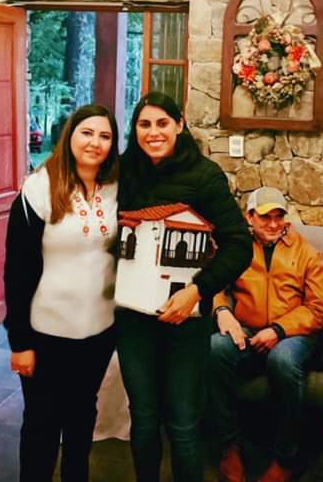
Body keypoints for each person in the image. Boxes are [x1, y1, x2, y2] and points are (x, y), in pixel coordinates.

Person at [116, 91, 252, 482]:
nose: (153, 132)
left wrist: (198, 291)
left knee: (183, 422)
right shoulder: (122, 172)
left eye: (162, 123)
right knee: (143, 418)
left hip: (187, 323)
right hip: (132, 319)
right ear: (135, 129)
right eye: (144, 124)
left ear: (179, 124)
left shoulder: (205, 175)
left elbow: (239, 245)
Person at [3, 104, 119, 482]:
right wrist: (20, 341)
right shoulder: (39, 188)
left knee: (82, 419)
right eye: (87, 132)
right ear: (70, 135)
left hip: (98, 332)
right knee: (42, 424)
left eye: (105, 136)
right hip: (45, 332)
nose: (95, 142)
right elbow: (17, 270)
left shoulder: (117, 189)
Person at [209, 187, 323, 482]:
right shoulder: (236, 248)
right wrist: (222, 310)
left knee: (283, 359)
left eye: (279, 217)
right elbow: (214, 285)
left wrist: (278, 330)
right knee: (215, 348)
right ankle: (229, 445)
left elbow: (319, 309)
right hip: (247, 331)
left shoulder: (307, 253)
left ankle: (286, 456)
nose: (274, 224)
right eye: (265, 217)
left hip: (294, 335)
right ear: (249, 217)